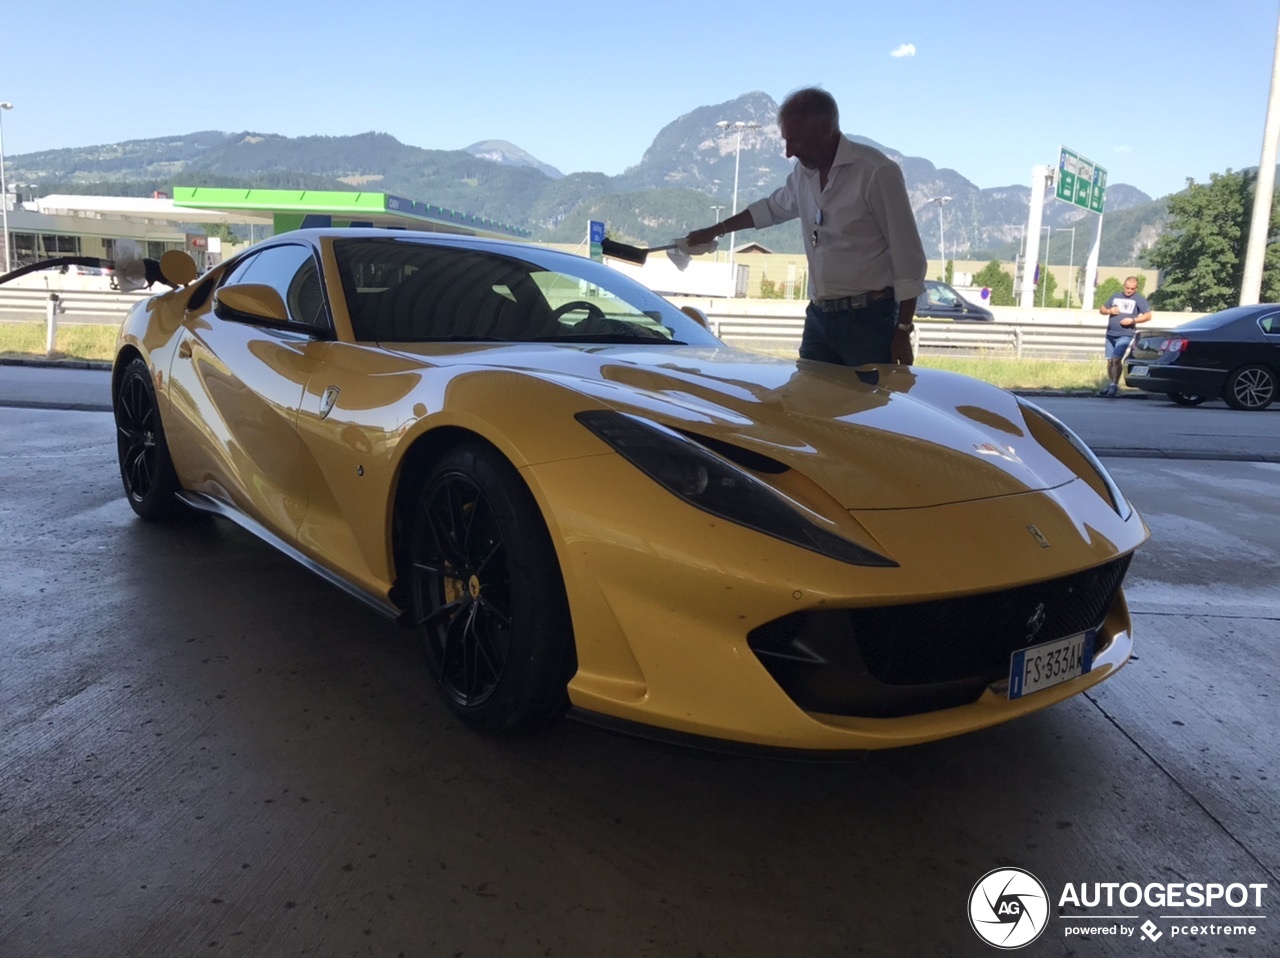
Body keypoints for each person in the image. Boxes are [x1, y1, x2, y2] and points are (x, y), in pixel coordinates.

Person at [684, 87, 927, 367]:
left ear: (826, 129)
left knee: (868, 408)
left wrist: (902, 330)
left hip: (870, 321)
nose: (789, 152)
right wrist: (716, 230)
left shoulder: (875, 172)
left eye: (796, 141)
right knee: (809, 404)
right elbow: (771, 208)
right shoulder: (803, 174)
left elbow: (908, 258)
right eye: (787, 141)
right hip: (818, 318)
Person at [1097, 276, 1152, 397]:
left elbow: (1148, 316)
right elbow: (1102, 309)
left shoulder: (1139, 299)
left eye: (1132, 289)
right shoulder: (1116, 296)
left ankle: (1115, 385)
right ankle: (1111, 383)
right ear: (1124, 286)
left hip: (1126, 334)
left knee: (1117, 359)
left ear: (1136, 288)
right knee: (1110, 360)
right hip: (1111, 333)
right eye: (1127, 288)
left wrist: (1133, 320)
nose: (1129, 291)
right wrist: (1110, 311)